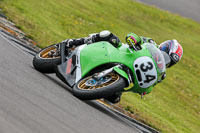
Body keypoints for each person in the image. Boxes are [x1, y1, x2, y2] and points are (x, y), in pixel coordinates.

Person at [51, 30, 183, 103]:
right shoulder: (151, 43)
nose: (165, 59)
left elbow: (149, 87)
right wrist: (134, 39)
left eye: (169, 60)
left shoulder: (161, 74)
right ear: (164, 46)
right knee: (108, 35)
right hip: (121, 52)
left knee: (115, 99)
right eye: (166, 53)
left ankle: (95, 81)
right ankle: (72, 43)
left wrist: (144, 90)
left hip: (128, 72)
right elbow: (135, 37)